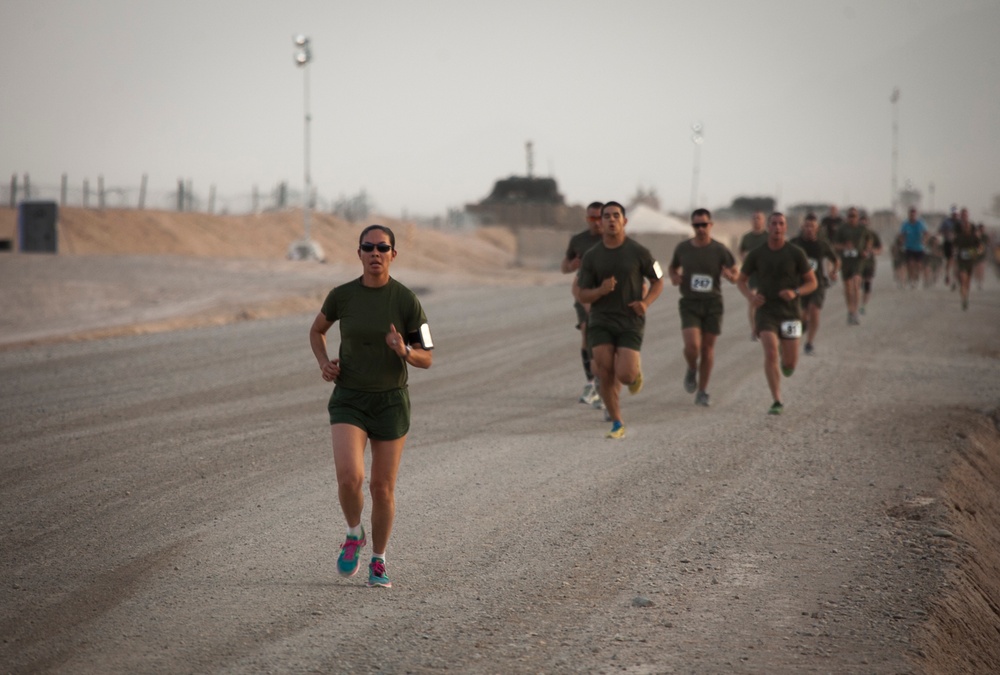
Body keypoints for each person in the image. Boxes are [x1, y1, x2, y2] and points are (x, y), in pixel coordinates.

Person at [309, 224, 434, 589]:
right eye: (368, 247)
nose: (375, 253)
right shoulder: (342, 296)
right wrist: (324, 363)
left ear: (394, 254)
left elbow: (427, 357)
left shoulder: (407, 301)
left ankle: (378, 559)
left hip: (391, 402)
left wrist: (404, 350)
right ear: (359, 253)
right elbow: (317, 330)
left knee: (382, 487)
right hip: (349, 398)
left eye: (382, 247)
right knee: (351, 478)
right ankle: (354, 533)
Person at [577, 201, 664, 438]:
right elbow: (582, 293)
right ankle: (617, 423)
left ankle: (634, 372)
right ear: (601, 222)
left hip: (629, 320)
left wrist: (645, 303)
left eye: (616, 216)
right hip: (601, 320)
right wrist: (600, 291)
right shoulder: (592, 256)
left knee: (625, 375)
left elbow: (658, 280)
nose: (611, 220)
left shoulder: (640, 252)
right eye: (607, 216)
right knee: (604, 371)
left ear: (624, 221)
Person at [738, 212, 817, 415]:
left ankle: (786, 360)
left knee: (790, 364)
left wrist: (795, 292)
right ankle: (777, 399)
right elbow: (741, 280)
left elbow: (812, 282)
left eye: (781, 224)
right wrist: (751, 297)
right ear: (768, 227)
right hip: (766, 312)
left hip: (790, 313)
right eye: (773, 223)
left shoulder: (795, 253)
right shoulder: (757, 254)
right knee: (771, 352)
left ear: (785, 227)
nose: (777, 227)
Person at [667, 208, 739, 407]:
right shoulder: (683, 248)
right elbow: (671, 267)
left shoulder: (720, 249)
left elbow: (735, 272)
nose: (700, 229)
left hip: (713, 303)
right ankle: (692, 368)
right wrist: (674, 276)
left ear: (710, 225)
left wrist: (731, 276)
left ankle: (703, 391)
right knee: (692, 346)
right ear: (692, 226)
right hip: (689, 303)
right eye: (696, 225)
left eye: (704, 225)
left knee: (707, 349)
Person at [562, 202, 604, 409]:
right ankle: (591, 383)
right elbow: (565, 267)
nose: (596, 222)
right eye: (591, 218)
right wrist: (572, 265)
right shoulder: (578, 240)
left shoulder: (616, 239)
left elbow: (650, 268)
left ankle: (608, 379)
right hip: (583, 293)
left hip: (609, 296)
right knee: (587, 333)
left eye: (599, 218)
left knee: (605, 340)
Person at [789, 212, 839, 355]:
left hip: (818, 284)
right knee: (801, 316)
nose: (809, 229)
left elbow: (836, 260)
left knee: (814, 310)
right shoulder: (795, 243)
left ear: (817, 228)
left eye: (812, 226)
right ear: (802, 227)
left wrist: (834, 271)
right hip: (799, 285)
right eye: (807, 226)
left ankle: (809, 343)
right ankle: (793, 338)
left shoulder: (822, 244)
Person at [833, 207, 872, 325]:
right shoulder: (842, 229)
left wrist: (866, 250)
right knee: (848, 288)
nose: (852, 218)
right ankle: (850, 310)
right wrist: (845, 246)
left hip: (858, 260)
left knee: (856, 284)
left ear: (857, 217)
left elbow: (869, 241)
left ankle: (855, 311)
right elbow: (835, 245)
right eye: (850, 216)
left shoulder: (862, 229)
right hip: (846, 261)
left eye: (854, 216)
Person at [738, 211, 769, 339]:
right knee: (753, 299)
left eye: (759, 218)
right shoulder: (747, 237)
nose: (757, 220)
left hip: (767, 274)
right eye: (754, 218)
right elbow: (741, 251)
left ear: (764, 221)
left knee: (767, 302)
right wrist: (744, 261)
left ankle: (768, 327)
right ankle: (754, 329)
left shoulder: (768, 236)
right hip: (753, 274)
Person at [953, 209, 985, 310]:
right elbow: (954, 246)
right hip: (961, 261)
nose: (966, 228)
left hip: (970, 261)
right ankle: (963, 299)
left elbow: (980, 247)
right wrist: (955, 254)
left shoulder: (974, 237)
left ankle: (966, 296)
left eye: (968, 227)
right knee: (963, 279)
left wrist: (976, 252)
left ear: (971, 228)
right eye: (964, 227)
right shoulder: (959, 237)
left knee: (967, 282)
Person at [859, 213, 883, 314]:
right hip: (857, 263)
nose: (863, 224)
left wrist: (874, 251)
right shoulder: (856, 235)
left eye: (865, 222)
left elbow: (880, 248)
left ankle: (863, 305)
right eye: (861, 222)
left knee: (867, 284)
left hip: (869, 263)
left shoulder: (873, 234)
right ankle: (856, 304)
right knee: (857, 284)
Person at [899, 207, 929, 288]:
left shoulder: (920, 223)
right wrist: (902, 242)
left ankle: (917, 277)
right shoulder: (905, 224)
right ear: (909, 215)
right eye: (911, 215)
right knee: (910, 264)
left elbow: (926, 233)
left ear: (916, 215)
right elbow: (902, 235)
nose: (912, 216)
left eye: (914, 215)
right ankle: (911, 279)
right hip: (909, 247)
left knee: (919, 265)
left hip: (919, 247)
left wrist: (925, 240)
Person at [939, 206, 958, 289]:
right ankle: (947, 275)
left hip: (957, 244)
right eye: (953, 214)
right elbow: (940, 231)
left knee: (956, 262)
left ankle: (954, 280)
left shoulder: (960, 222)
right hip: (948, 243)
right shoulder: (946, 222)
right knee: (950, 260)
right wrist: (947, 233)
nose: (954, 215)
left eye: (956, 214)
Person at [974, 224, 990, 291]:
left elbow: (986, 244)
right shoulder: (975, 236)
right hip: (976, 255)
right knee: (976, 270)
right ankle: (977, 280)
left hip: (982, 255)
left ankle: (980, 283)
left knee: (981, 269)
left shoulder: (985, 236)